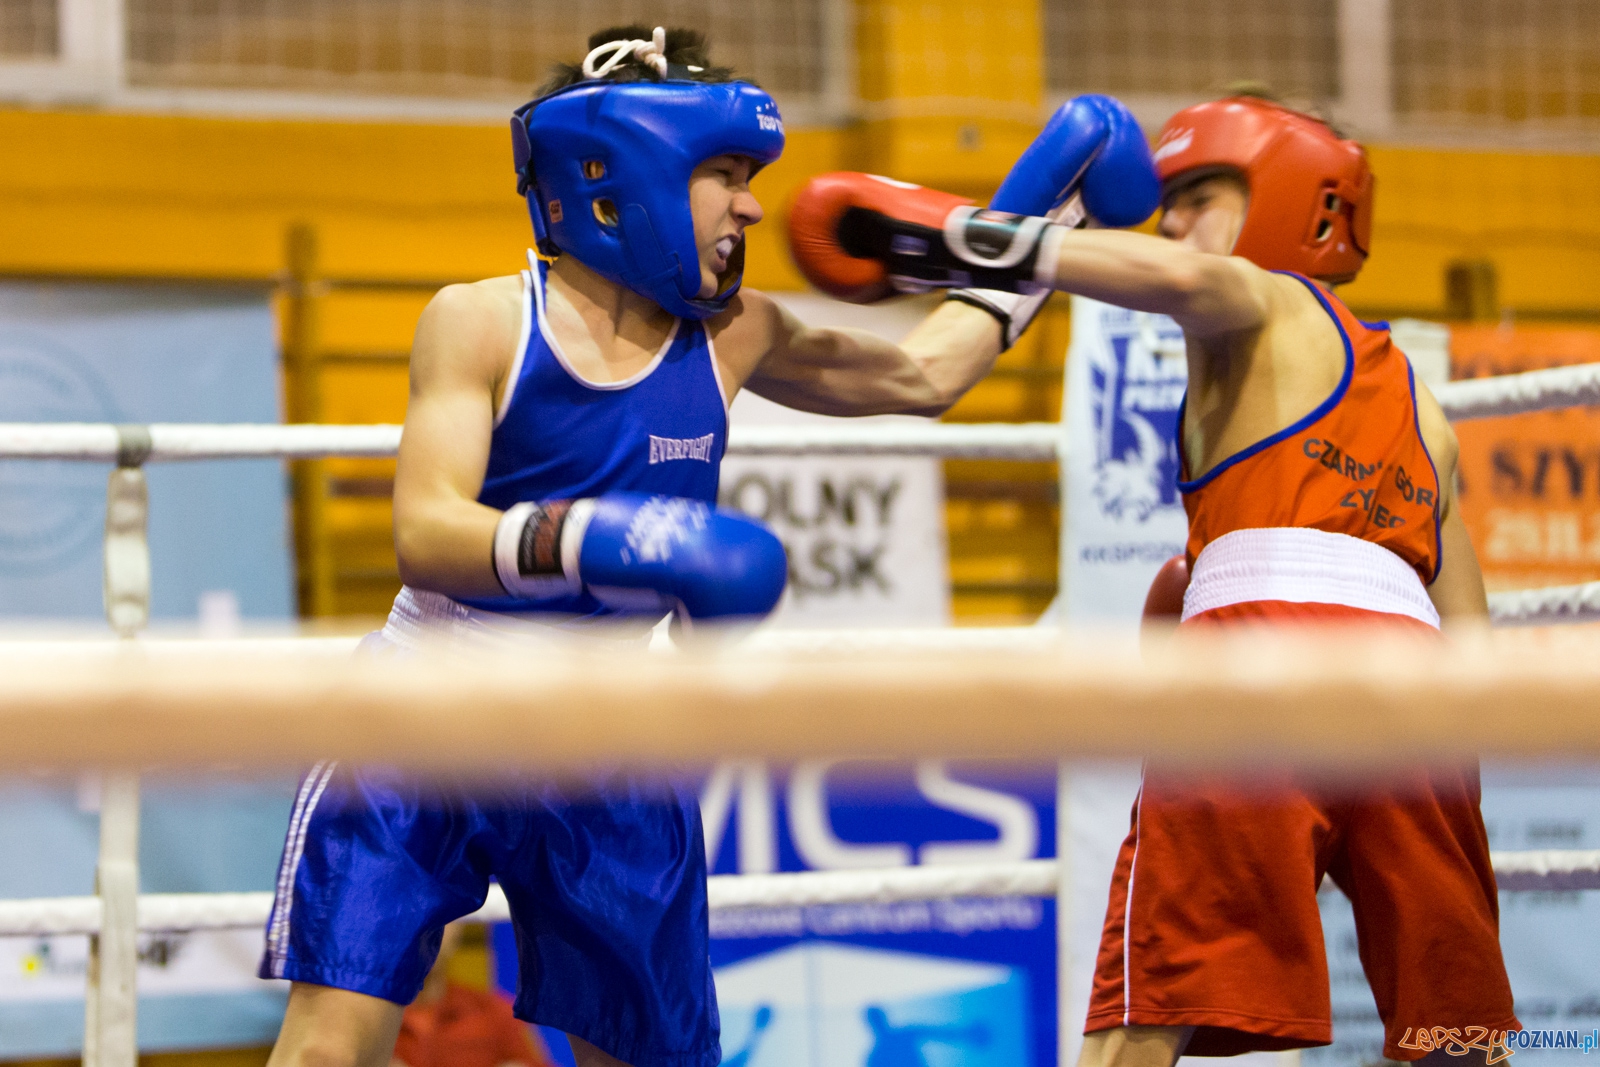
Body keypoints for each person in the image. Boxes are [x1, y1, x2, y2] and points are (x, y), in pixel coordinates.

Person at [260, 24, 1162, 1067]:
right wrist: (615, 534)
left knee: (644, 1056)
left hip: (608, 730)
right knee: (331, 1045)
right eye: (723, 174)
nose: (750, 205)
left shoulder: (736, 332)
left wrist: (1033, 223)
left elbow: (925, 376)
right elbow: (424, 530)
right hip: (430, 703)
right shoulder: (482, 321)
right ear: (621, 174)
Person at [790, 92, 1517, 1066]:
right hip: (1422, 710)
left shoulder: (1266, 302)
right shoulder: (1427, 411)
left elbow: (1178, 275)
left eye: (1199, 197)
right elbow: (1470, 643)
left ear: (1297, 203)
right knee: (1454, 1030)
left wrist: (949, 233)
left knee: (1148, 1002)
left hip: (1262, 652)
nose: (1171, 224)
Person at [392, 922, 556, 1067]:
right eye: (415, 919)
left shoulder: (497, 1014)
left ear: (459, 928)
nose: (425, 934)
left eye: (439, 919)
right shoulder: (372, 1019)